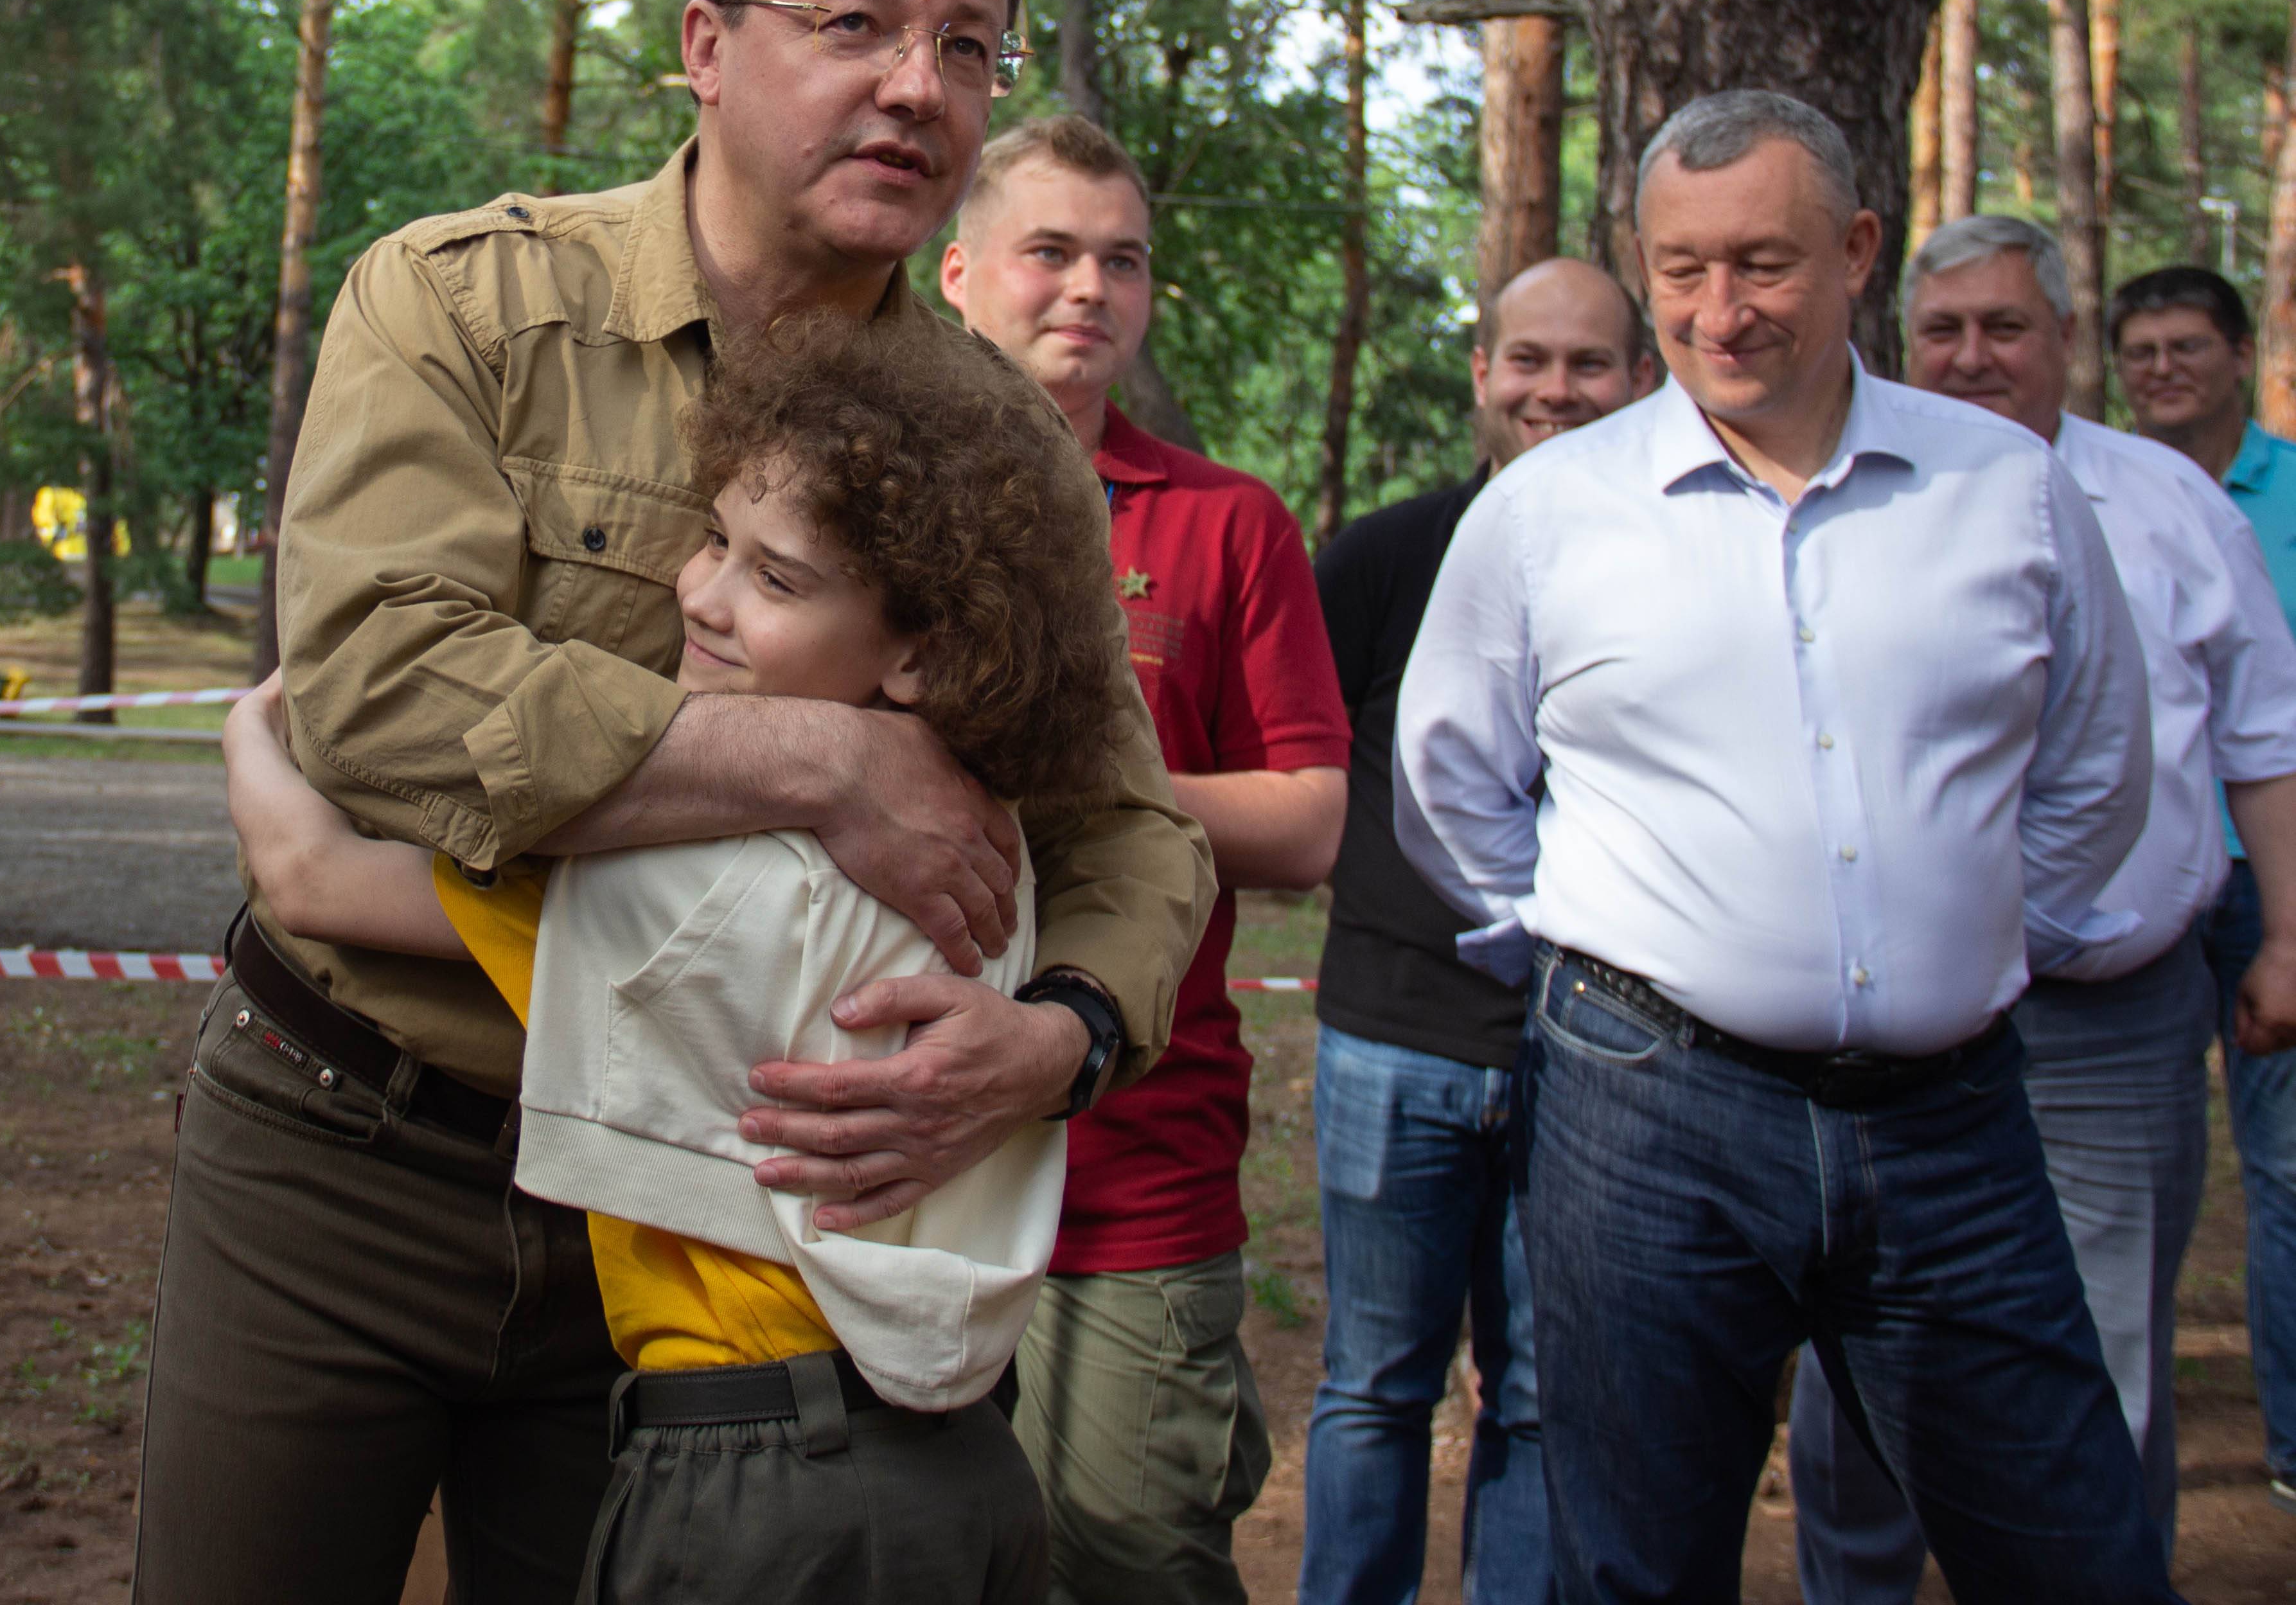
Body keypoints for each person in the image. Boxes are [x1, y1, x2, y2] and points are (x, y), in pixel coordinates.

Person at [130, 0, 1215, 1605]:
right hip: (349, 1152)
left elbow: (1128, 832)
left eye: (966, 48)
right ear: (707, 46)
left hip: (709, 1232)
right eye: (854, 22)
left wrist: (1062, 1037)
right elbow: (380, 688)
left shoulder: (1003, 445)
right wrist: (824, 758)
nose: (916, 85)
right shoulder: (464, 301)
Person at [225, 313, 1147, 1603]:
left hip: (764, 1478)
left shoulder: (697, 876)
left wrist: (262, 720)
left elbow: (308, 878)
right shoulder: (979, 839)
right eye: (714, 538)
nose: (702, 593)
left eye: (777, 580)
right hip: (961, 1467)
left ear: (920, 653)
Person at [1397, 88, 2177, 1604]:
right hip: (1644, 1120)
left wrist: (1973, 938)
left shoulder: (2003, 488)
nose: (1718, 310)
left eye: (1761, 262)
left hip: (1951, 1125)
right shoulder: (1547, 513)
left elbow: (2096, 763)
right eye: (1679, 269)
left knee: (2074, 1556)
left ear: (1856, 251)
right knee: (1636, 1566)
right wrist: (1602, 948)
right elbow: (1451, 783)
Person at [1790, 215, 2296, 1594]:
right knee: (1857, 1343)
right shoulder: (1834, 495)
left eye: (2004, 328)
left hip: (2107, 1017)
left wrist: (2288, 938)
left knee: (2099, 1356)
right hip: (1877, 1016)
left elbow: (2263, 733)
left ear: (2066, 340)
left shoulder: (2169, 502)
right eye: (1943, 331)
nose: (1971, 357)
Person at [938, 113, 1350, 1605]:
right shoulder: (856, 498)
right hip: (888, 1147)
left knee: (1124, 1556)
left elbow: (1306, 820)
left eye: (1122, 261)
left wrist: (1082, 791)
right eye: (1049, 251)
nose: (1088, 288)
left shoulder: (1228, 524)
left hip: (1132, 1160)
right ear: (957, 272)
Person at [1302, 256, 1656, 1605]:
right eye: (1527, 361)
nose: (1553, 390)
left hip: (1596, 1059)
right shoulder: (1383, 556)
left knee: (1543, 1399)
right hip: (1388, 1041)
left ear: (1639, 379)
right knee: (1372, 1387)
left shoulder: (1669, 566)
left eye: (1587, 363)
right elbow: (1295, 755)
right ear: (1480, 375)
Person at [2112, 263, 2296, 1513]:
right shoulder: (2097, 496)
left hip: (2274, 881)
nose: (2162, 368)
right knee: (2135, 1178)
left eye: (2185, 345)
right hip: (2154, 890)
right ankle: (2122, 1446)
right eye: (2140, 351)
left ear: (2239, 355)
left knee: (2283, 1166)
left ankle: (2289, 1446)